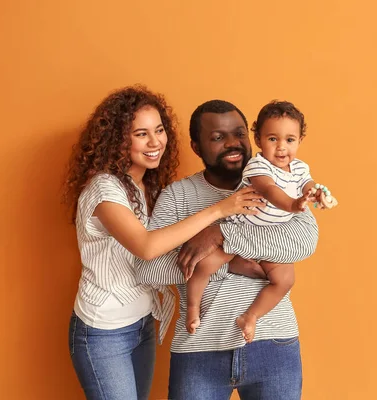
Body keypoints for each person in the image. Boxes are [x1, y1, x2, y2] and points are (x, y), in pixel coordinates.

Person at [63, 87, 262, 400]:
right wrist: (221, 210)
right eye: (142, 133)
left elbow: (168, 259)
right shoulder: (104, 190)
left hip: (143, 322)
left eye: (159, 130)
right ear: (118, 139)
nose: (155, 142)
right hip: (103, 330)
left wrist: (223, 254)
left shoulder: (147, 186)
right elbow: (147, 247)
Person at [136, 99, 319, 399]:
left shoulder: (283, 182)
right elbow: (148, 268)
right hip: (199, 349)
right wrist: (232, 263)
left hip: (274, 343)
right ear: (196, 146)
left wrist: (221, 235)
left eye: (238, 134)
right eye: (218, 137)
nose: (232, 144)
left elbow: (304, 240)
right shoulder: (179, 196)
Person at [185, 100, 338, 342]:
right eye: (272, 139)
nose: (281, 148)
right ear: (258, 140)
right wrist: (293, 204)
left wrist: (318, 194)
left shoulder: (298, 168)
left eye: (290, 140)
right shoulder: (258, 166)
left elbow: (308, 186)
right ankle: (193, 307)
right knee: (203, 265)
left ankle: (251, 316)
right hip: (240, 229)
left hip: (268, 241)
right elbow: (268, 190)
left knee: (286, 279)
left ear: (300, 141)